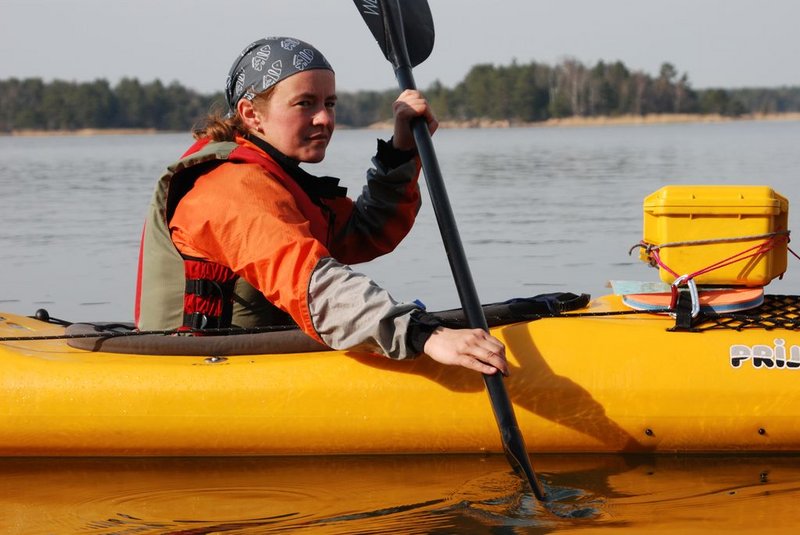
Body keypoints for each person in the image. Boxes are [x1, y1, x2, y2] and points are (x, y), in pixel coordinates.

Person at [135, 36, 507, 375]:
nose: (325, 118)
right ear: (251, 115)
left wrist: (402, 150)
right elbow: (312, 285)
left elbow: (364, 233)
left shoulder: (279, 180)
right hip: (199, 371)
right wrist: (423, 334)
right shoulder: (227, 188)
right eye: (304, 103)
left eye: (329, 103)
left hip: (248, 361)